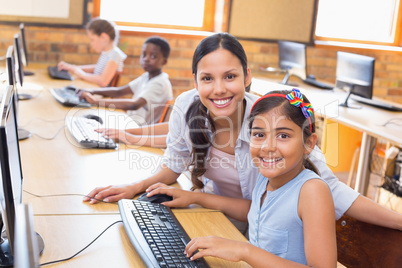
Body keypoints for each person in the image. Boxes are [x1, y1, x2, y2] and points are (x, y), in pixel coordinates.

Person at [83, 32, 402, 232]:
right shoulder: (186, 104)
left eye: (230, 76)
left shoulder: (272, 121)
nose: (219, 89)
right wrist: (134, 186)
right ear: (195, 81)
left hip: (261, 229)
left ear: (247, 77)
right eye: (207, 78)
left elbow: (331, 190)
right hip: (215, 218)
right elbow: (173, 164)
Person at [148, 89, 337, 266]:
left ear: (309, 143)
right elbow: (254, 211)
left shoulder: (312, 191)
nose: (268, 147)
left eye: (283, 136)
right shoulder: (267, 178)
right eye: (259, 134)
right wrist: (195, 198)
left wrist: (245, 251)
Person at [78, 36, 173, 126]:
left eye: (153, 56)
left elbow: (135, 104)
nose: (146, 59)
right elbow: (119, 91)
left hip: (139, 130)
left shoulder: (160, 83)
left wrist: (96, 102)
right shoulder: (147, 76)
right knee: (88, 118)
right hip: (129, 122)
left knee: (91, 120)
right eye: (144, 54)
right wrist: (92, 91)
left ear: (164, 62)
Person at [58, 17, 127, 87]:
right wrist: (72, 67)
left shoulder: (115, 54)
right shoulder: (108, 53)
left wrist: (82, 74)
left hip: (100, 95)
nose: (91, 43)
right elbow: (98, 68)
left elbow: (103, 81)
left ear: (104, 37)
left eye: (92, 39)